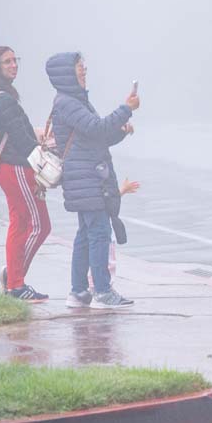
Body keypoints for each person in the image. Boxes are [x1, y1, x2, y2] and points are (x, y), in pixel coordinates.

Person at [45, 52, 140, 309]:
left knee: (86, 235)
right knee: (98, 233)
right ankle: (102, 292)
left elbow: (97, 136)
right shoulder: (68, 103)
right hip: (87, 178)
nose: (84, 69)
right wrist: (126, 109)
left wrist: (121, 130)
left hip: (84, 177)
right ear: (66, 72)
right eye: (78, 66)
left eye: (83, 65)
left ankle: (78, 292)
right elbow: (98, 128)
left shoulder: (74, 101)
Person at [0, 46, 51, 301]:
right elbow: (22, 140)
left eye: (15, 60)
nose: (13, 65)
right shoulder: (3, 99)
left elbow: (20, 133)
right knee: (38, 225)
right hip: (17, 167)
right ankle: (15, 282)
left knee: (22, 223)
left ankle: (14, 278)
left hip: (9, 168)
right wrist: (43, 168)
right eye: (7, 62)